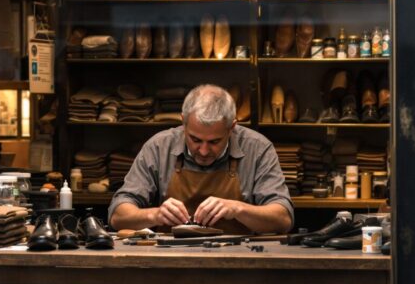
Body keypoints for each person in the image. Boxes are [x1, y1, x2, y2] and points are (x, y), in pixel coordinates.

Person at [109, 84, 293, 234]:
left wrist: (238, 209)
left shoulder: (258, 149)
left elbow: (283, 219)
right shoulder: (159, 147)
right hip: (170, 261)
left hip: (238, 263)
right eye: (195, 139)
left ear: (232, 128)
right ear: (183, 122)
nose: (203, 151)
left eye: (214, 141)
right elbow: (118, 216)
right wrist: (155, 215)